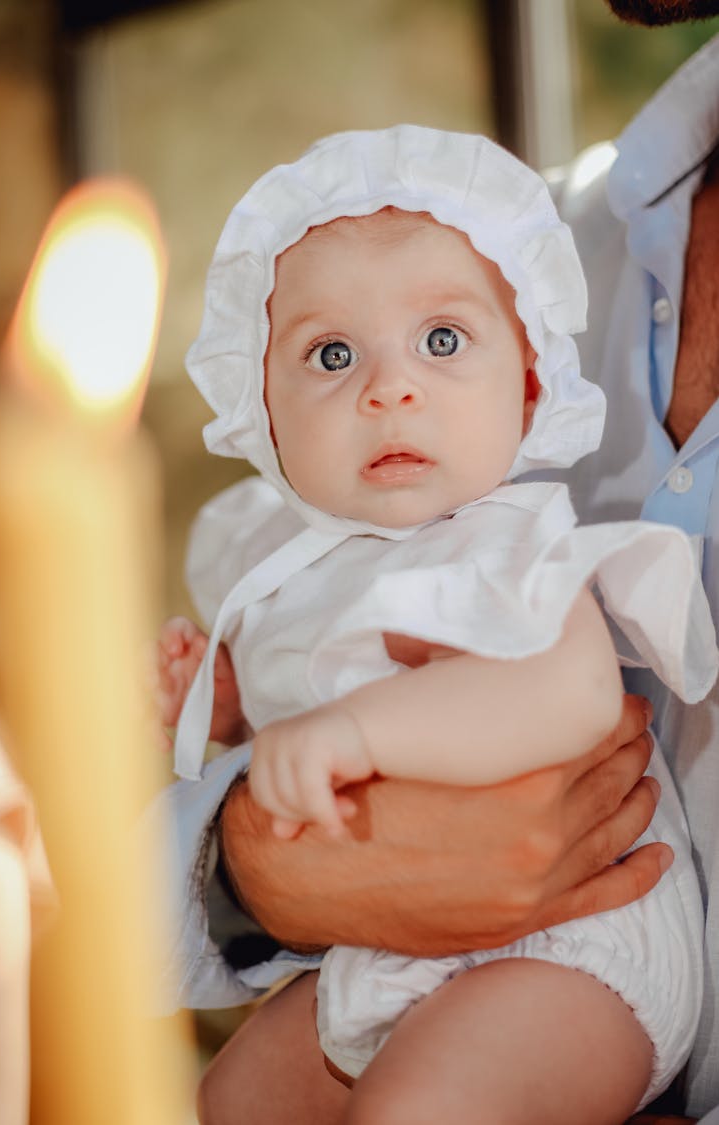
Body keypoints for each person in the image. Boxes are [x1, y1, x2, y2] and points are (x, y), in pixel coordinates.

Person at [154, 124, 718, 1123]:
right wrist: (239, 706)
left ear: (534, 381)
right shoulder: (300, 570)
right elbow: (288, 744)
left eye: (443, 342)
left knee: (425, 1110)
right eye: (331, 354)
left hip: (576, 948)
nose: (390, 386)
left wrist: (352, 734)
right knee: (230, 1101)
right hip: (388, 950)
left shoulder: (511, 538)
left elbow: (568, 692)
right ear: (264, 415)